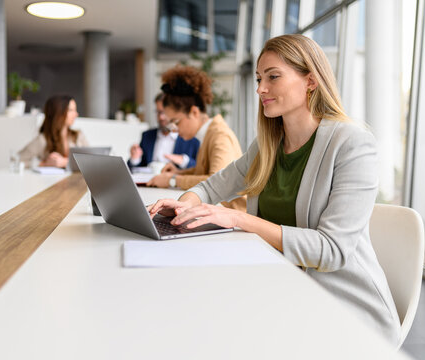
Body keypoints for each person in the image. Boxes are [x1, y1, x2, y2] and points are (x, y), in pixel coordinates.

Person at [149, 34, 400, 344]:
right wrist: (184, 204)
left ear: (310, 80)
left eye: (273, 76)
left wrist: (239, 220)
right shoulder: (268, 145)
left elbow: (332, 250)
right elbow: (213, 186)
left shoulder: (351, 143)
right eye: (258, 78)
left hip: (343, 313)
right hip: (279, 292)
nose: (260, 89)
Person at [147, 65, 246, 211]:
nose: (173, 129)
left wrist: (173, 180)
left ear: (194, 112)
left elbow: (216, 182)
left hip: (232, 218)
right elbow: (202, 171)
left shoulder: (220, 136)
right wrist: (177, 173)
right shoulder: (207, 135)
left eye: (175, 122)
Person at [128, 93, 200, 169]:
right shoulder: (147, 136)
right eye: (158, 112)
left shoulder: (190, 138)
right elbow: (137, 168)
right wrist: (135, 159)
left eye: (164, 112)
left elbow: (200, 168)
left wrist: (183, 161)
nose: (161, 117)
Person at [18, 95, 88, 168]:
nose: (76, 114)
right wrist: (44, 164)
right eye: (71, 110)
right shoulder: (43, 140)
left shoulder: (78, 136)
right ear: (59, 112)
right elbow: (16, 160)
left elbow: (90, 161)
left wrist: (64, 162)